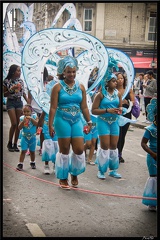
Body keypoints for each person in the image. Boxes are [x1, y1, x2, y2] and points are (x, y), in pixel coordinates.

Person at [48, 55, 92, 189]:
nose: (71, 74)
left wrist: (89, 122)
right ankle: (63, 177)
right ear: (63, 72)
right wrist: (50, 124)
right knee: (65, 149)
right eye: (68, 71)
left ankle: (74, 173)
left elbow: (84, 106)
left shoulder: (81, 87)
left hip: (77, 120)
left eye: (73, 71)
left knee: (79, 149)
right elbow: (53, 107)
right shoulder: (57, 87)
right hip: (62, 120)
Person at [91, 65, 123, 179]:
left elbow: (120, 106)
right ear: (107, 82)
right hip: (103, 121)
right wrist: (106, 110)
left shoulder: (118, 94)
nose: (116, 83)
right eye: (113, 81)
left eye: (116, 81)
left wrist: (120, 110)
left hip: (114, 121)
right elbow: (93, 110)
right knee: (104, 146)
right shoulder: (100, 95)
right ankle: (101, 170)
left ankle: (113, 170)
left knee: (114, 146)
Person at [3, 64, 28, 152]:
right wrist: (11, 89)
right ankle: (9, 142)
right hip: (11, 102)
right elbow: (4, 94)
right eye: (18, 71)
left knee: (18, 124)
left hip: (19, 102)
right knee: (14, 123)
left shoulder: (21, 81)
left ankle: (15, 143)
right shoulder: (6, 81)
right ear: (13, 71)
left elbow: (23, 93)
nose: (19, 72)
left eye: (20, 71)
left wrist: (28, 102)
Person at [141, 98, 157, 211]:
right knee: (154, 178)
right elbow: (143, 143)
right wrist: (153, 154)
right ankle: (152, 202)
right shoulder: (150, 129)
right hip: (152, 157)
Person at [116, 72, 135, 163]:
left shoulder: (128, 90)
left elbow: (133, 102)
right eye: (118, 78)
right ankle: (114, 153)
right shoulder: (113, 90)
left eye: (121, 78)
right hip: (116, 114)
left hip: (126, 114)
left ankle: (120, 153)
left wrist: (127, 102)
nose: (120, 80)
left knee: (122, 135)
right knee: (117, 134)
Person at [16, 104, 39, 171]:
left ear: (31, 111)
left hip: (33, 137)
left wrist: (31, 119)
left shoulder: (34, 116)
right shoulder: (22, 118)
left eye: (28, 111)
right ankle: (20, 163)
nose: (26, 113)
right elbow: (19, 128)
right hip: (25, 137)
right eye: (24, 112)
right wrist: (23, 121)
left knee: (32, 151)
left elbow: (37, 124)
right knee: (23, 150)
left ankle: (32, 162)